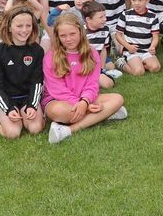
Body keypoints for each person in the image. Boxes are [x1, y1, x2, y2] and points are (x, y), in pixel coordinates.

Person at [43, 13, 127, 144]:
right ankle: (104, 114)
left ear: (81, 32)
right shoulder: (51, 56)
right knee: (57, 112)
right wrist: (85, 106)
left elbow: (92, 84)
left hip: (85, 99)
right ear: (58, 37)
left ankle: (68, 130)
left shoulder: (91, 53)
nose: (68, 39)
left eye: (72, 34)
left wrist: (85, 102)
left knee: (118, 98)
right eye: (63, 36)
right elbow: (57, 89)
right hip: (58, 101)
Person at [0, 5, 47, 138]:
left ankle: (37, 115)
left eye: (28, 26)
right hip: (8, 98)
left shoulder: (37, 50)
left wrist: (32, 105)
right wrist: (8, 109)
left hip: (28, 97)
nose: (24, 30)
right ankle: (6, 120)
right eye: (19, 26)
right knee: (13, 133)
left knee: (35, 128)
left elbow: (37, 81)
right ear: (9, 27)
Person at [115, 0, 162, 75]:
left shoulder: (153, 16)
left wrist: (152, 47)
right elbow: (118, 35)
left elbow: (155, 36)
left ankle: (139, 63)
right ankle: (121, 63)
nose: (136, 3)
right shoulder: (126, 14)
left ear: (147, 0)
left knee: (156, 68)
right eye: (134, 0)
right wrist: (128, 46)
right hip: (131, 50)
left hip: (146, 50)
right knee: (139, 72)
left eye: (140, 0)